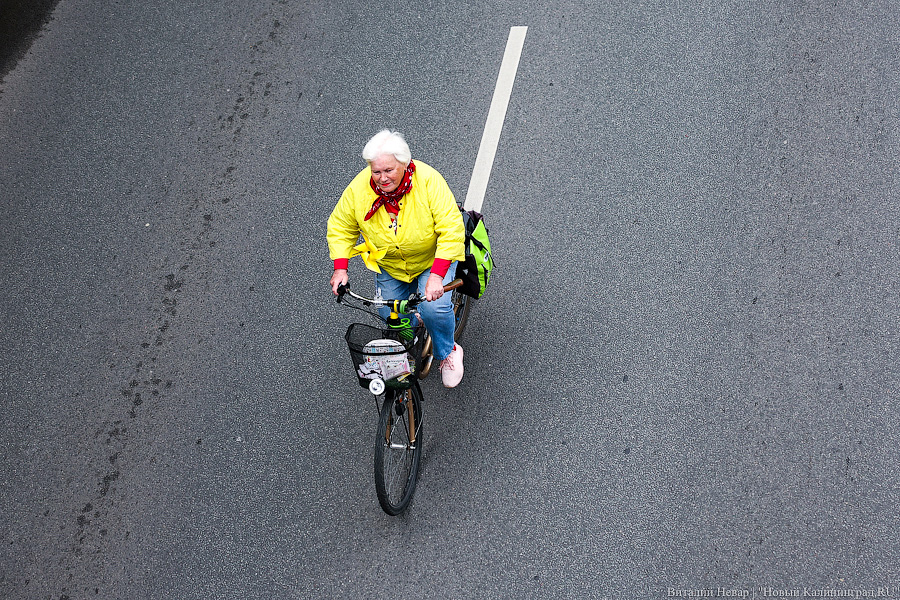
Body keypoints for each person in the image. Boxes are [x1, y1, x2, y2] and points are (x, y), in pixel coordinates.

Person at [328, 129, 467, 388]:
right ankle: (414, 329)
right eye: (376, 172)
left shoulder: (428, 181)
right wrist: (340, 268)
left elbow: (451, 229)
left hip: (431, 260)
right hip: (390, 264)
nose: (382, 178)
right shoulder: (359, 190)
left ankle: (448, 352)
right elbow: (340, 226)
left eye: (389, 170)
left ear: (405, 164)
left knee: (434, 308)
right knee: (387, 312)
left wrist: (437, 276)